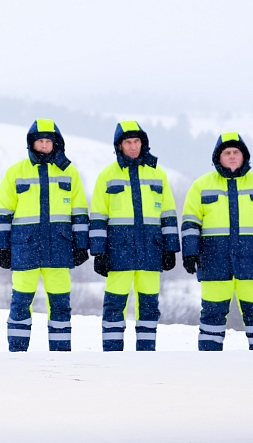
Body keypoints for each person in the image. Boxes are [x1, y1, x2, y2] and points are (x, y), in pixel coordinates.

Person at [180, 132, 253, 351]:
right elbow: (190, 222)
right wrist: (190, 253)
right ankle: (209, 364)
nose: (232, 156)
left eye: (236, 152)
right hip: (214, 263)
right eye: (227, 152)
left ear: (244, 155)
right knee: (212, 316)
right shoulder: (201, 186)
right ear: (218, 157)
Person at [0, 120, 89, 351]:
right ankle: (17, 353)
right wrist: (3, 248)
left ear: (55, 143)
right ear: (32, 143)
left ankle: (60, 355)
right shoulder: (15, 172)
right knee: (20, 304)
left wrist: (81, 246)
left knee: (60, 306)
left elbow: (79, 213)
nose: (44, 145)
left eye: (48, 141)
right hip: (24, 249)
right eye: (40, 141)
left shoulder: (70, 172)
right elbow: (3, 213)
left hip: (60, 249)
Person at [89, 121, 179, 351]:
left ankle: (146, 353)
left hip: (151, 250)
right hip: (118, 253)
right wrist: (99, 252)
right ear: (119, 146)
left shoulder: (157, 174)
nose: (132, 146)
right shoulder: (107, 175)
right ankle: (112, 353)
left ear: (143, 143)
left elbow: (168, 214)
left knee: (149, 306)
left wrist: (171, 248)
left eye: (136, 141)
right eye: (127, 142)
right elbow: (98, 216)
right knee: (114, 306)